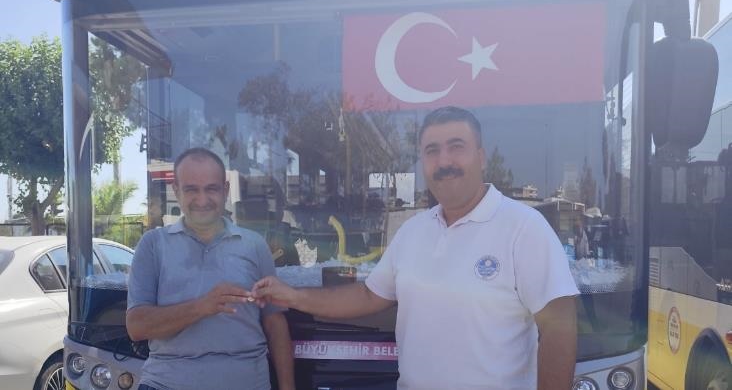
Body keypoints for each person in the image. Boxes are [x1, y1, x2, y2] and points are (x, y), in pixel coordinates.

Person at [249, 106, 579, 389]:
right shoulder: (412, 231)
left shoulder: (523, 227)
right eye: (432, 151)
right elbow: (368, 296)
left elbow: (558, 328)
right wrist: (292, 296)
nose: (444, 161)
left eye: (456, 147)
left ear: (481, 157)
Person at [126, 148, 294, 390]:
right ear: (176, 191)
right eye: (191, 189)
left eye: (211, 189)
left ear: (225, 190)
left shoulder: (254, 245)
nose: (202, 200)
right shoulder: (153, 245)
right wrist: (203, 306)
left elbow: (274, 323)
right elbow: (137, 327)